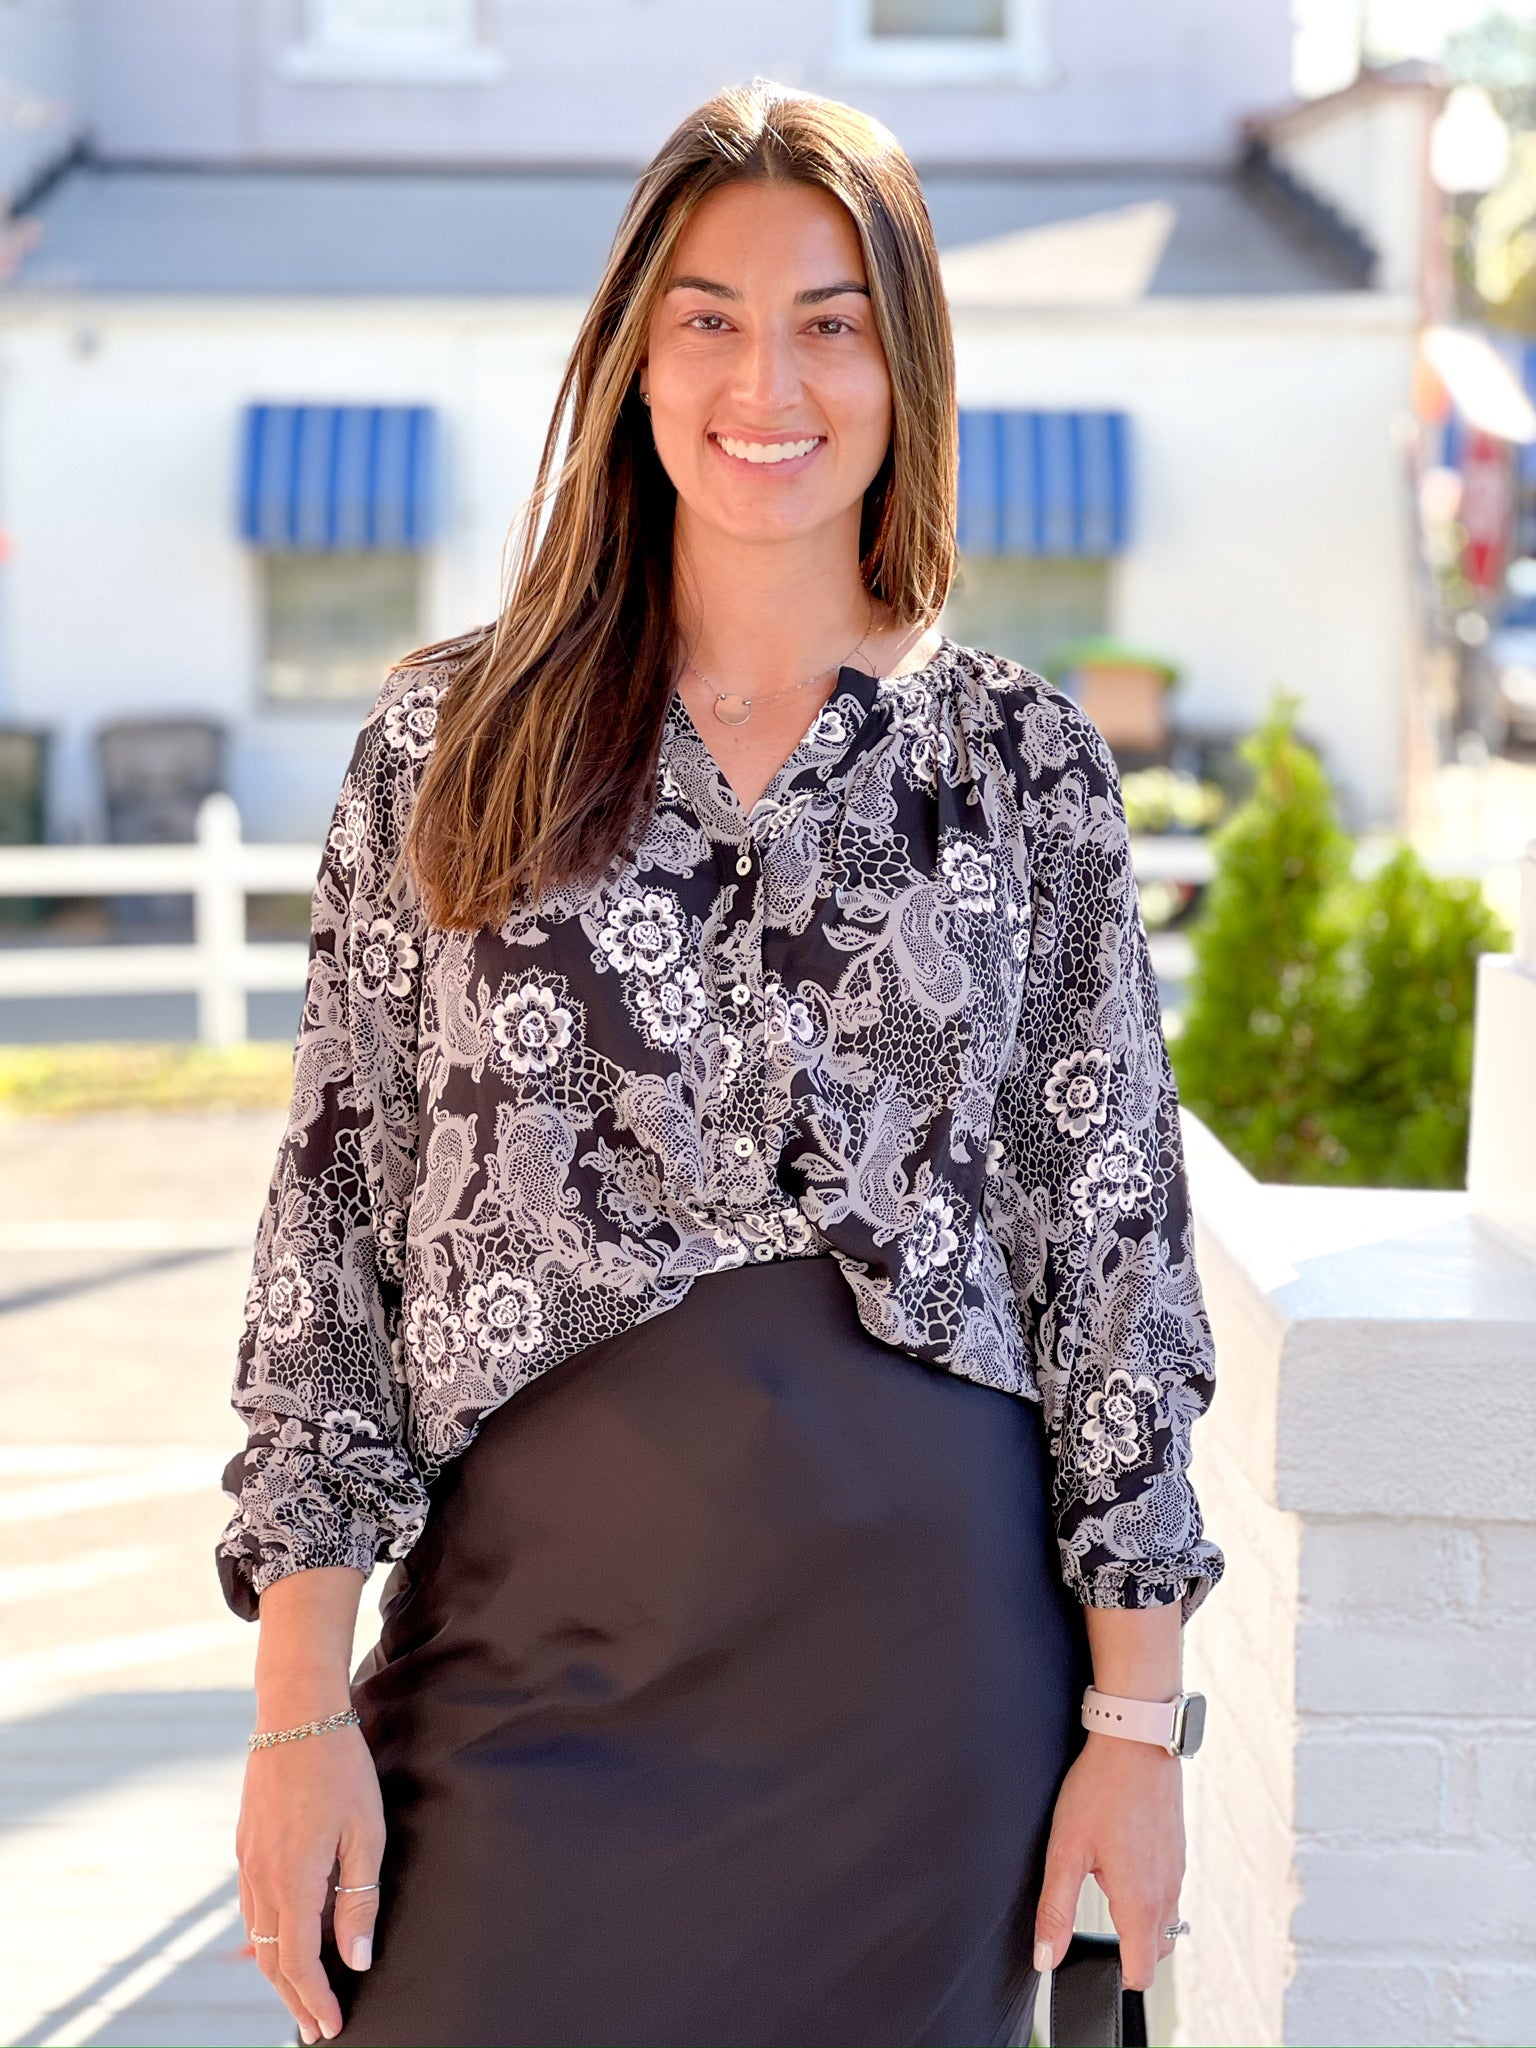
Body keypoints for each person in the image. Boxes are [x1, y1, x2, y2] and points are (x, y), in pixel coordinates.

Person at [217, 77, 1224, 2048]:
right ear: (634, 358)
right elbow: (329, 1246)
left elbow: (1114, 1268)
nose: (768, 376)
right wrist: (295, 1715)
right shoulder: (444, 746)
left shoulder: (1021, 768)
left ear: (904, 364)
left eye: (831, 318)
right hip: (520, 1688)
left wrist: (1137, 1726)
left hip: (929, 1721)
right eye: (709, 315)